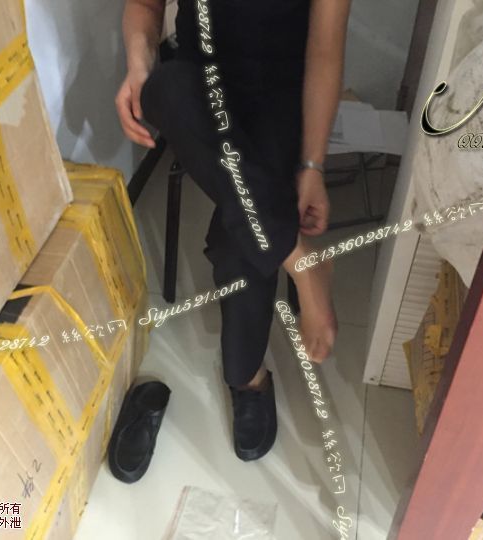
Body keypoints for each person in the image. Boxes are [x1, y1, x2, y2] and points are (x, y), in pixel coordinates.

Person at [116, 0, 349, 461]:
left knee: (237, 244)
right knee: (165, 87)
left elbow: (325, 51)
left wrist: (312, 166)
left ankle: (247, 378)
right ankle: (297, 256)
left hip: (278, 97)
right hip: (199, 93)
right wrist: (139, 65)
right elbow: (144, 5)